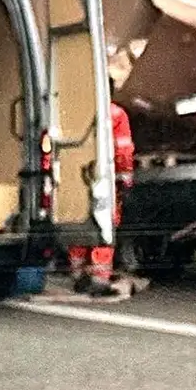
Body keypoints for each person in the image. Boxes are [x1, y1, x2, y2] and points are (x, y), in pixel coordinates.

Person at [69, 84, 136, 296]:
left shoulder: (74, 111)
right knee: (105, 223)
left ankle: (78, 273)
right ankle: (99, 278)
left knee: (78, 220)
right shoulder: (115, 114)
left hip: (76, 175)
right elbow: (123, 149)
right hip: (105, 176)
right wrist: (125, 177)